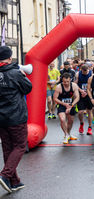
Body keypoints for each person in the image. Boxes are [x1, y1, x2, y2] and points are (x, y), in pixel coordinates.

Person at [0, 46, 32, 192]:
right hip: (16, 116)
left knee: (7, 148)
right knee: (20, 146)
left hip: (2, 118)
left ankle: (14, 181)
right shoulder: (15, 72)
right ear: (9, 58)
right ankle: (5, 175)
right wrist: (21, 74)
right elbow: (28, 88)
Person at [54, 73, 80, 144]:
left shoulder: (74, 86)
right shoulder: (59, 87)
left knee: (70, 120)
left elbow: (77, 97)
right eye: (64, 82)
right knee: (62, 119)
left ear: (70, 80)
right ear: (62, 81)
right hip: (62, 105)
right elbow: (55, 98)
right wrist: (64, 104)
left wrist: (71, 105)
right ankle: (66, 135)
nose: (66, 83)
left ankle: (68, 133)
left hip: (71, 105)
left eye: (67, 81)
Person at [75, 64, 93, 135]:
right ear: (81, 70)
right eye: (83, 72)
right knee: (80, 112)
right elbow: (75, 84)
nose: (85, 73)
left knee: (89, 111)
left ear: (88, 69)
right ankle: (81, 123)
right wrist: (81, 91)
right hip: (81, 94)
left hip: (89, 94)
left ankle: (90, 127)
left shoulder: (91, 74)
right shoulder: (77, 74)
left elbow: (93, 85)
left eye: (86, 72)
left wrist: (87, 92)